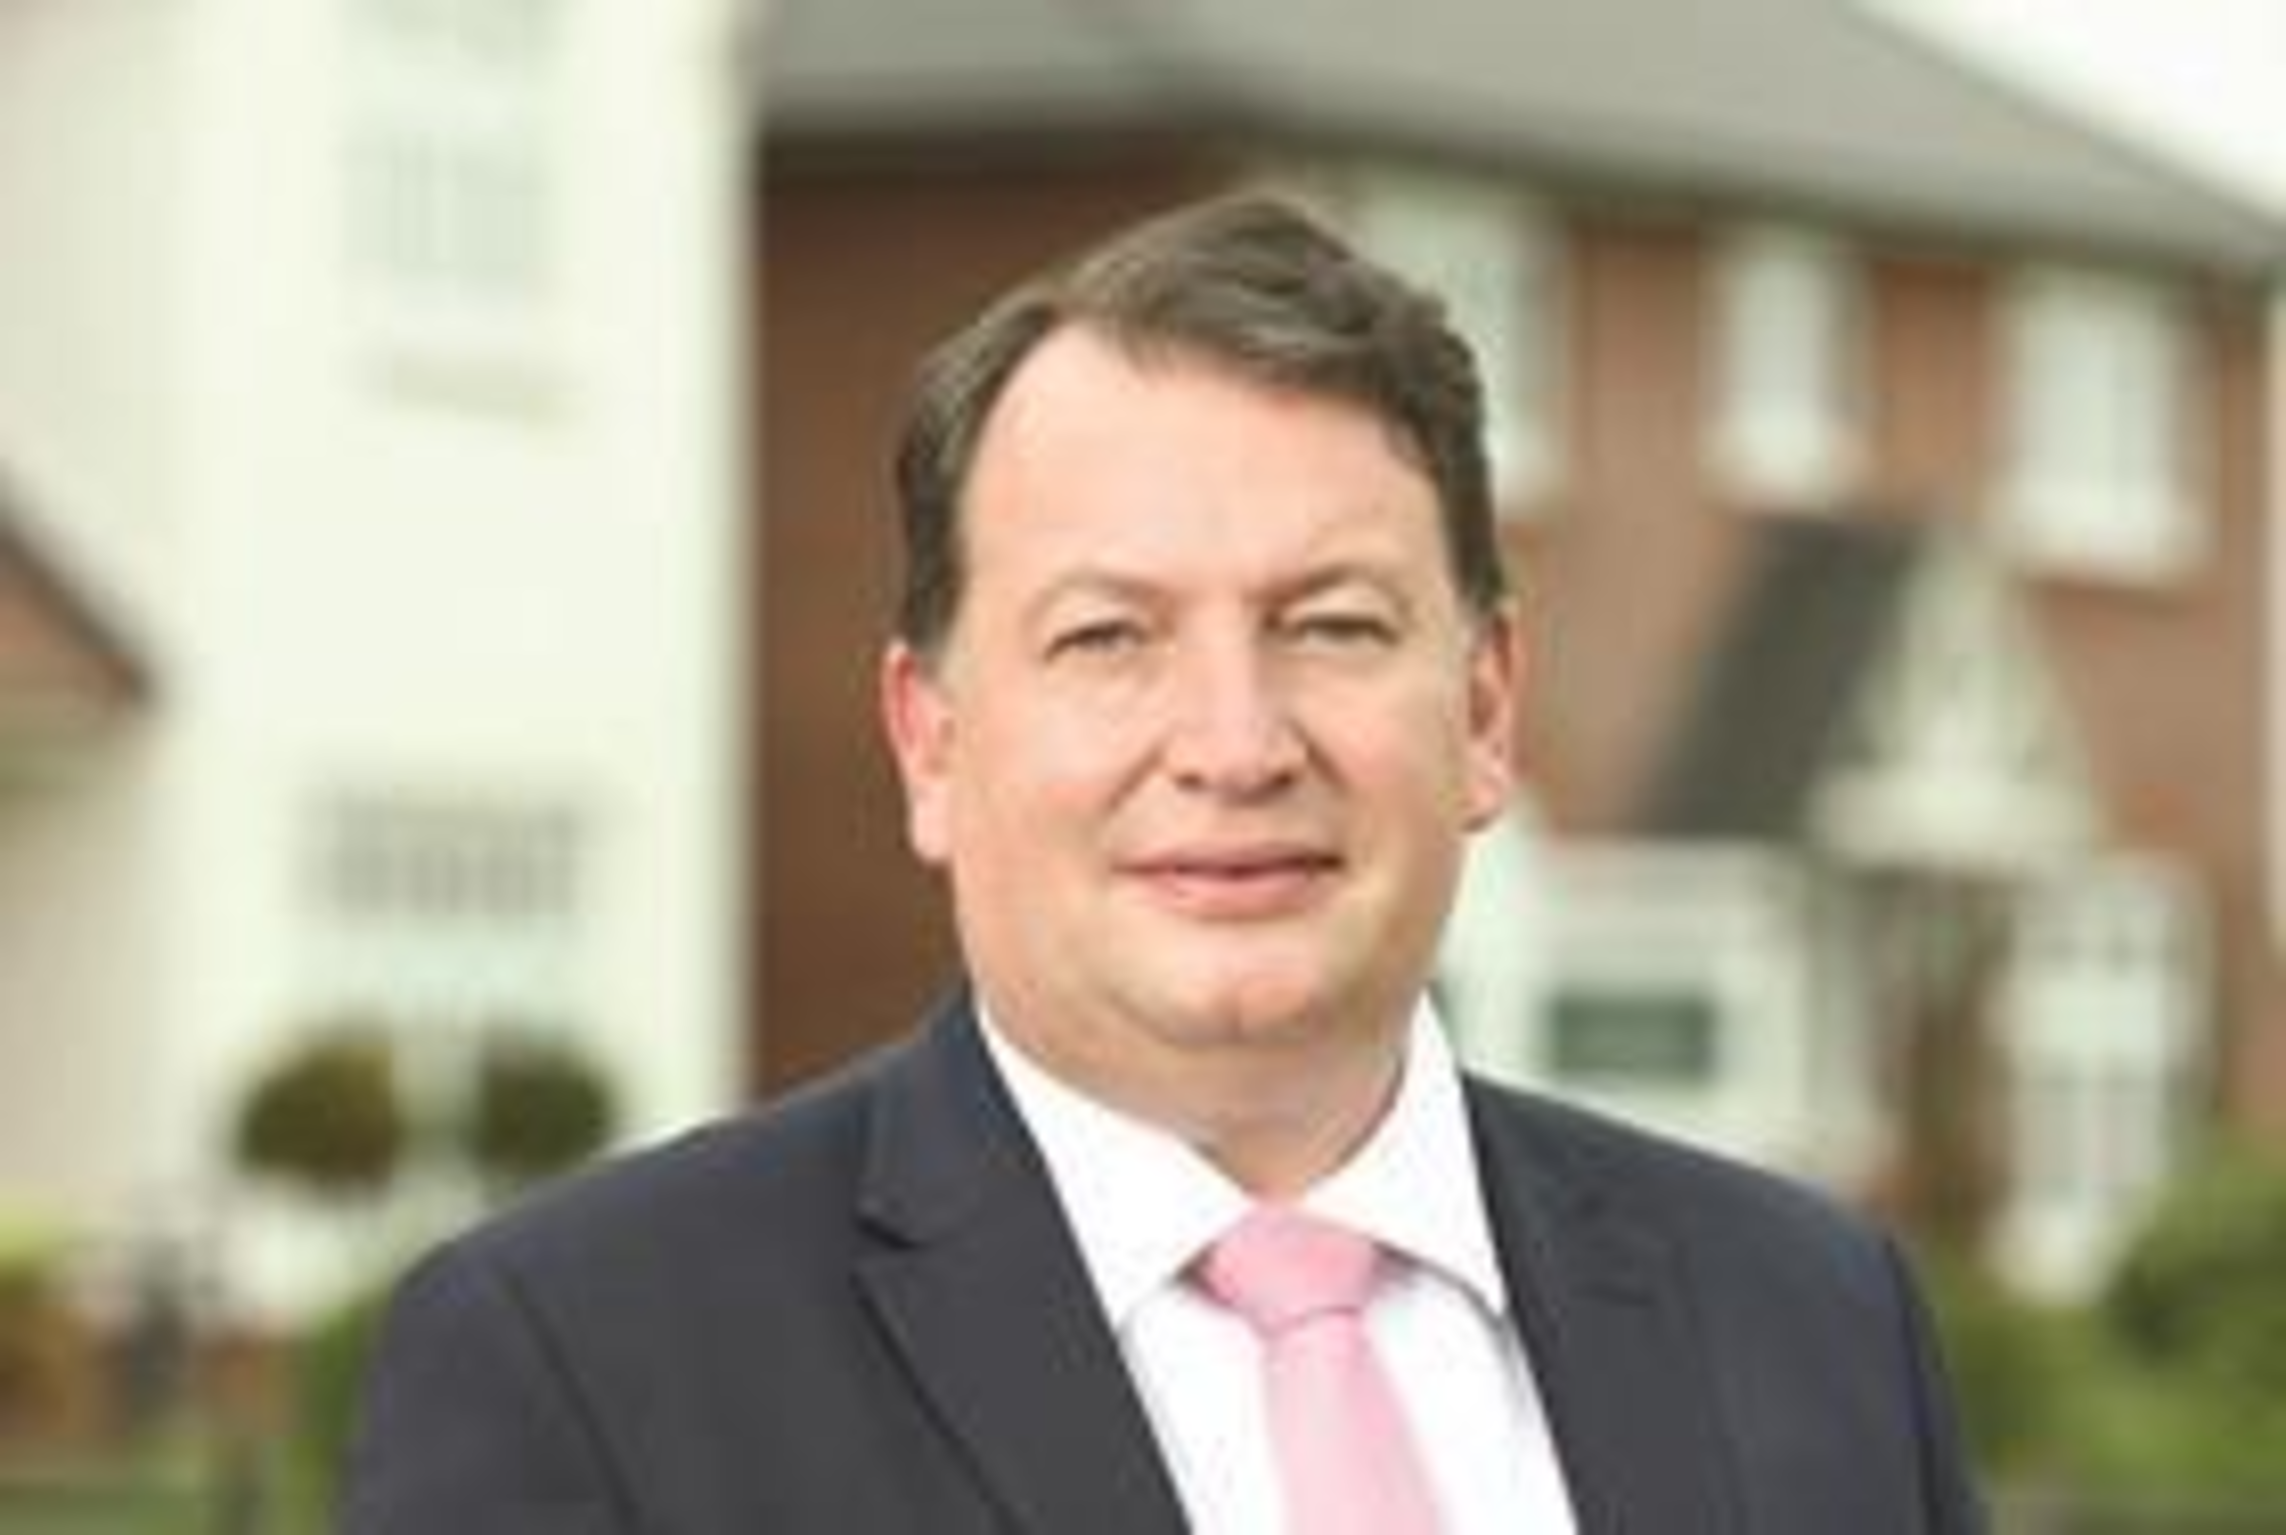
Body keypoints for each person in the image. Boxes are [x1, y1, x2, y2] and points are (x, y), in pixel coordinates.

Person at [343, 194, 1986, 1534]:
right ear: (931, 739)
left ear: (1484, 708)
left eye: (1330, 624)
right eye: (1108, 636)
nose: (1233, 742)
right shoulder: (591, 1367)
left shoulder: (1815, 1321)